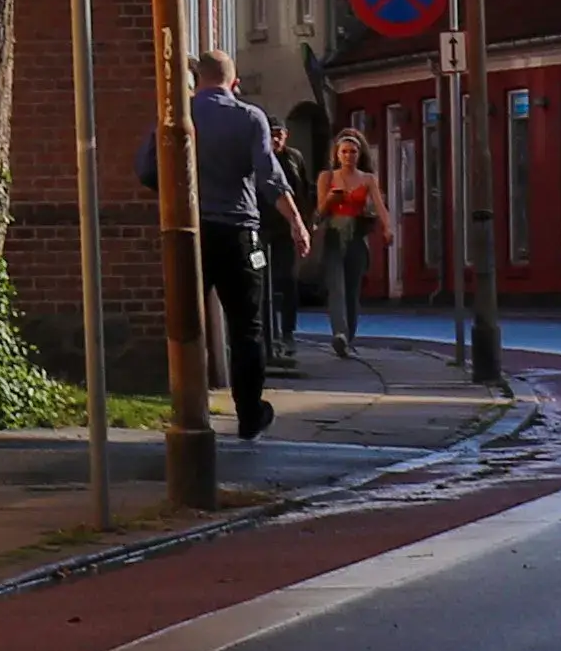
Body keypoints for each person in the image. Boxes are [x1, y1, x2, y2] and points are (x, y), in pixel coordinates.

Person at [145, 52, 301, 435]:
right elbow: (269, 177)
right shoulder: (249, 118)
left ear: (198, 81)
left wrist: (178, 196)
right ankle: (249, 413)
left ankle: (187, 407)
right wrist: (295, 221)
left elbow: (147, 169)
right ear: (234, 82)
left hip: (189, 233)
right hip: (240, 234)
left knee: (186, 321)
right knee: (247, 327)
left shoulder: (176, 115)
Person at [301, 109, 384, 358]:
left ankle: (349, 338)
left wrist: (386, 226)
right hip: (333, 236)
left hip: (357, 236)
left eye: (353, 151)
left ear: (360, 154)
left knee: (352, 290)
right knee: (336, 286)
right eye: (344, 151)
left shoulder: (368, 178)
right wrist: (329, 199)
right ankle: (339, 333)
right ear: (337, 155)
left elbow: (380, 206)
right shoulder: (327, 177)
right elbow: (319, 213)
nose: (349, 155)